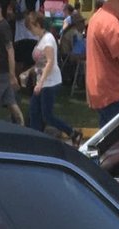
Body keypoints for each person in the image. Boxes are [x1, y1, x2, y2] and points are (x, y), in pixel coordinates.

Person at [22, 9, 78, 143]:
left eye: (31, 28)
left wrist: (41, 83)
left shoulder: (48, 39)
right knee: (34, 112)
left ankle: (72, 132)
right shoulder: (41, 39)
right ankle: (36, 140)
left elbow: (50, 62)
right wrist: (28, 72)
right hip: (42, 82)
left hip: (49, 82)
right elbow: (40, 62)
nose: (30, 31)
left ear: (37, 24)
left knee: (47, 116)